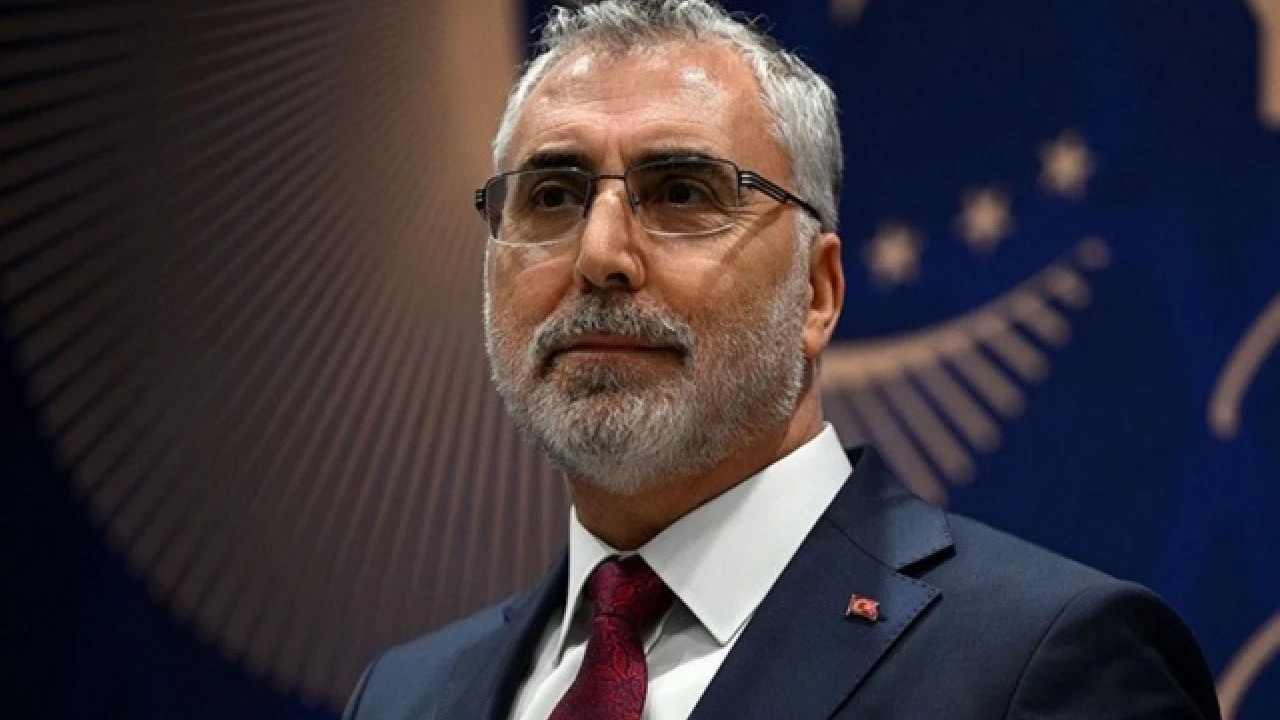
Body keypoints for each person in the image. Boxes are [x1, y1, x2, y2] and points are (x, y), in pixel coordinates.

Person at [343, 1, 1222, 718]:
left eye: (680, 192)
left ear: (817, 293)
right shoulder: (402, 698)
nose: (600, 253)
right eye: (551, 196)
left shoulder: (1050, 663)